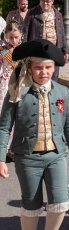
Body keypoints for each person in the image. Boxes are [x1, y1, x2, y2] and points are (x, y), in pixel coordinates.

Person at [0, 39, 69, 230]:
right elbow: (4, 127)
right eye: (38, 67)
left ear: (54, 68)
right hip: (27, 158)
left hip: (55, 155)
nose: (44, 72)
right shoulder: (17, 91)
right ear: (29, 67)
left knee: (60, 203)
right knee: (31, 204)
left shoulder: (63, 92)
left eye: (48, 67)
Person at [22, 0, 68, 80]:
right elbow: (25, 33)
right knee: (37, 77)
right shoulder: (31, 13)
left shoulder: (58, 14)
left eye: (48, 1)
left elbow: (62, 33)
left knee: (53, 78)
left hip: (55, 51)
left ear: (52, 1)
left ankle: (52, 92)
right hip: (37, 52)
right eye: (43, 1)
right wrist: (24, 51)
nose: (45, 3)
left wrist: (65, 50)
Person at [0, 21, 22, 161]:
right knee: (3, 115)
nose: (14, 40)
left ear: (20, 36)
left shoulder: (23, 50)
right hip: (3, 85)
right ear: (6, 36)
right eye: (11, 37)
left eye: (16, 37)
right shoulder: (2, 51)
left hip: (18, 86)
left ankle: (11, 148)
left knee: (16, 116)